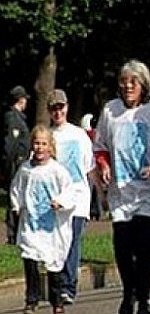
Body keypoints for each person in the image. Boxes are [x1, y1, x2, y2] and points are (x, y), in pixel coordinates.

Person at [94, 60, 150, 314]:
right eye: (124, 81)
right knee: (122, 248)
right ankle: (128, 292)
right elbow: (99, 146)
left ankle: (143, 299)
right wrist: (104, 164)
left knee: (144, 246)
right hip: (122, 192)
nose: (127, 86)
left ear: (143, 84)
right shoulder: (111, 110)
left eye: (133, 81)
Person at [10, 125, 75, 314]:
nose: (39, 147)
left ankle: (57, 302)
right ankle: (31, 299)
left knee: (54, 264)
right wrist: (17, 205)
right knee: (30, 260)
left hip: (52, 227)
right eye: (37, 143)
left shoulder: (58, 171)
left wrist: (61, 202)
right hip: (31, 224)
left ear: (50, 146)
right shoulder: (25, 170)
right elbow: (16, 190)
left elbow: (69, 192)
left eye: (43, 143)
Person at [47, 89, 95, 305]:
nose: (58, 112)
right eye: (53, 108)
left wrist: (99, 197)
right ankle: (57, 285)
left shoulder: (78, 135)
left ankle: (68, 287)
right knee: (57, 243)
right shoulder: (45, 136)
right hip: (55, 200)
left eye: (61, 107)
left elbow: (89, 168)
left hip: (78, 198)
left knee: (72, 241)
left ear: (66, 108)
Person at [4, 85, 30, 244]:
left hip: (20, 163)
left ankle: (17, 231)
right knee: (14, 198)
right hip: (16, 163)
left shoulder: (19, 118)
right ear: (21, 99)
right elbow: (11, 145)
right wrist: (9, 166)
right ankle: (13, 233)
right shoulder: (13, 119)